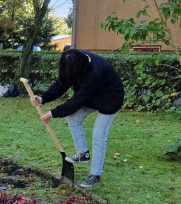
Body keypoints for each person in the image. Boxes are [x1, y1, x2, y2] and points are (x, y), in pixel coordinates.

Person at [35, 48, 124, 187]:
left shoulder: (95, 71)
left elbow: (77, 101)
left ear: (79, 68)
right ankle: (83, 154)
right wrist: (42, 98)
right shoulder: (72, 58)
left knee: (98, 135)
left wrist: (52, 113)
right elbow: (62, 83)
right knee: (73, 118)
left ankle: (95, 175)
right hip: (92, 96)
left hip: (110, 98)